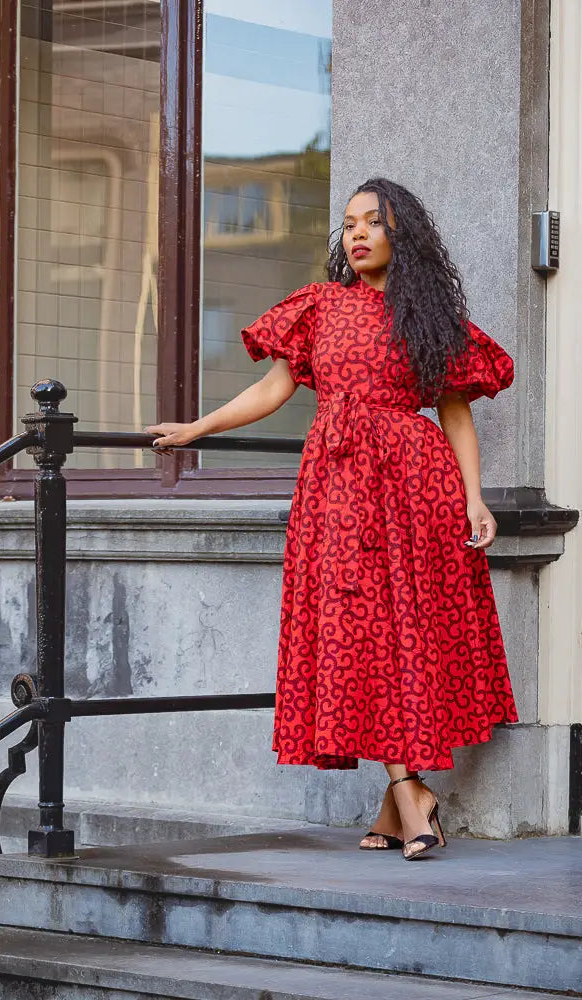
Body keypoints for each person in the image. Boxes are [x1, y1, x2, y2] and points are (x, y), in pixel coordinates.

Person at [147, 177, 519, 861]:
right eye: (348, 223)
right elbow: (273, 387)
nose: (355, 234)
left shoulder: (427, 320)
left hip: (413, 481)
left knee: (408, 631)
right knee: (356, 629)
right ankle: (410, 793)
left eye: (371, 222)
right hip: (338, 487)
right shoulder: (319, 306)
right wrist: (199, 428)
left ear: (399, 233)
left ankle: (399, 799)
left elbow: (455, 413)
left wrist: (473, 497)